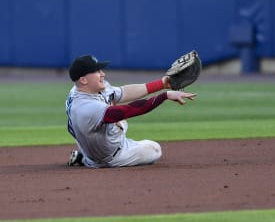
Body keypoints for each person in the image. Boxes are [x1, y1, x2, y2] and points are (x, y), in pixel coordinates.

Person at [65, 55, 196, 168]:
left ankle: (85, 157)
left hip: (92, 141)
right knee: (155, 149)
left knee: (112, 105)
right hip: (109, 157)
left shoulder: (83, 89)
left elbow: (124, 92)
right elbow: (132, 110)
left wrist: (162, 83)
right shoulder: (86, 108)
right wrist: (164, 95)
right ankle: (87, 160)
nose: (103, 74)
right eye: (97, 71)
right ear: (83, 80)